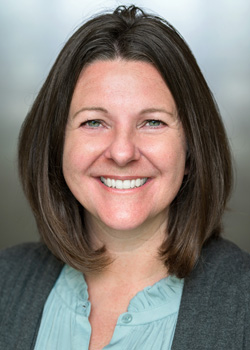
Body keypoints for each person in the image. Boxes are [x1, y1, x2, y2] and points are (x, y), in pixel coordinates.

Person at [0, 5, 249, 350]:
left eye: (152, 122)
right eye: (94, 122)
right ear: (57, 144)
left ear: (191, 150)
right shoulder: (5, 283)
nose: (121, 152)